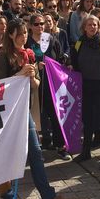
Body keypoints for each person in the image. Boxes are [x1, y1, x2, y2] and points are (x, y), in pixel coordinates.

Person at [0, 19, 73, 199]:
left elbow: (35, 86)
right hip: (6, 112)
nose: (24, 37)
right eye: (20, 34)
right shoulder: (2, 57)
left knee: (35, 153)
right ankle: (8, 197)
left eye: (25, 34)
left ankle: (47, 195)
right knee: (8, 155)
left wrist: (33, 76)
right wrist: (20, 74)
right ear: (11, 35)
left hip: (24, 110)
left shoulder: (28, 55)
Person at [71, 15, 100, 169]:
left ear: (99, 27)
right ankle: (86, 151)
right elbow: (75, 67)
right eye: (89, 25)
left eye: (95, 25)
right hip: (86, 88)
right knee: (88, 121)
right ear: (84, 27)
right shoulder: (78, 44)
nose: (92, 27)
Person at [25, 13, 70, 160]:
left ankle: (60, 146)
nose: (40, 27)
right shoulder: (27, 42)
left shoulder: (50, 39)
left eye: (42, 23)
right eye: (37, 24)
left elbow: (60, 57)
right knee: (36, 117)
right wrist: (36, 66)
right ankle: (36, 149)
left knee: (56, 115)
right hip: (34, 85)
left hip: (51, 84)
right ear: (31, 26)